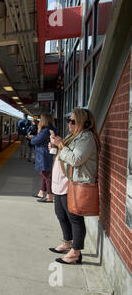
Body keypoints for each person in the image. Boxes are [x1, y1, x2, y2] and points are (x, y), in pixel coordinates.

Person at [48, 108, 100, 264]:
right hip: (65, 182)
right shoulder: (74, 136)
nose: (69, 124)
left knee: (74, 218)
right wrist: (55, 146)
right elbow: (65, 153)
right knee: (61, 213)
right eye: (68, 121)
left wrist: (61, 145)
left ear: (84, 122)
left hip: (76, 183)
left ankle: (75, 252)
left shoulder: (87, 138)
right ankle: (67, 242)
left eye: (72, 121)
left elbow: (76, 159)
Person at [30, 113, 57, 203]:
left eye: (41, 119)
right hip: (46, 155)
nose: (40, 121)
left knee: (46, 175)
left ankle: (49, 196)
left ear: (44, 120)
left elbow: (35, 141)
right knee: (44, 174)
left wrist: (32, 138)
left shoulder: (45, 130)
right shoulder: (50, 128)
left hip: (44, 155)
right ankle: (41, 192)